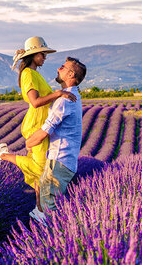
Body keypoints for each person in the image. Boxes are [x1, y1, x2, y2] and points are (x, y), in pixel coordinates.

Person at [0, 36, 76, 220]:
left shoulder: (35, 73)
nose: (45, 57)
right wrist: (58, 94)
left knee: (38, 175)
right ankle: (2, 154)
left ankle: (39, 211)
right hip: (36, 124)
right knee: (41, 168)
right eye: (43, 53)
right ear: (34, 54)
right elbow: (34, 102)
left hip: (41, 122)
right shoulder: (28, 74)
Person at [25, 56, 86, 222]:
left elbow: (46, 131)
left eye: (62, 67)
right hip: (66, 162)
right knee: (46, 208)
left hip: (58, 162)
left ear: (71, 75)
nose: (58, 69)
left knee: (48, 212)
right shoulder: (74, 96)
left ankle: (50, 243)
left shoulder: (64, 101)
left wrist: (28, 143)